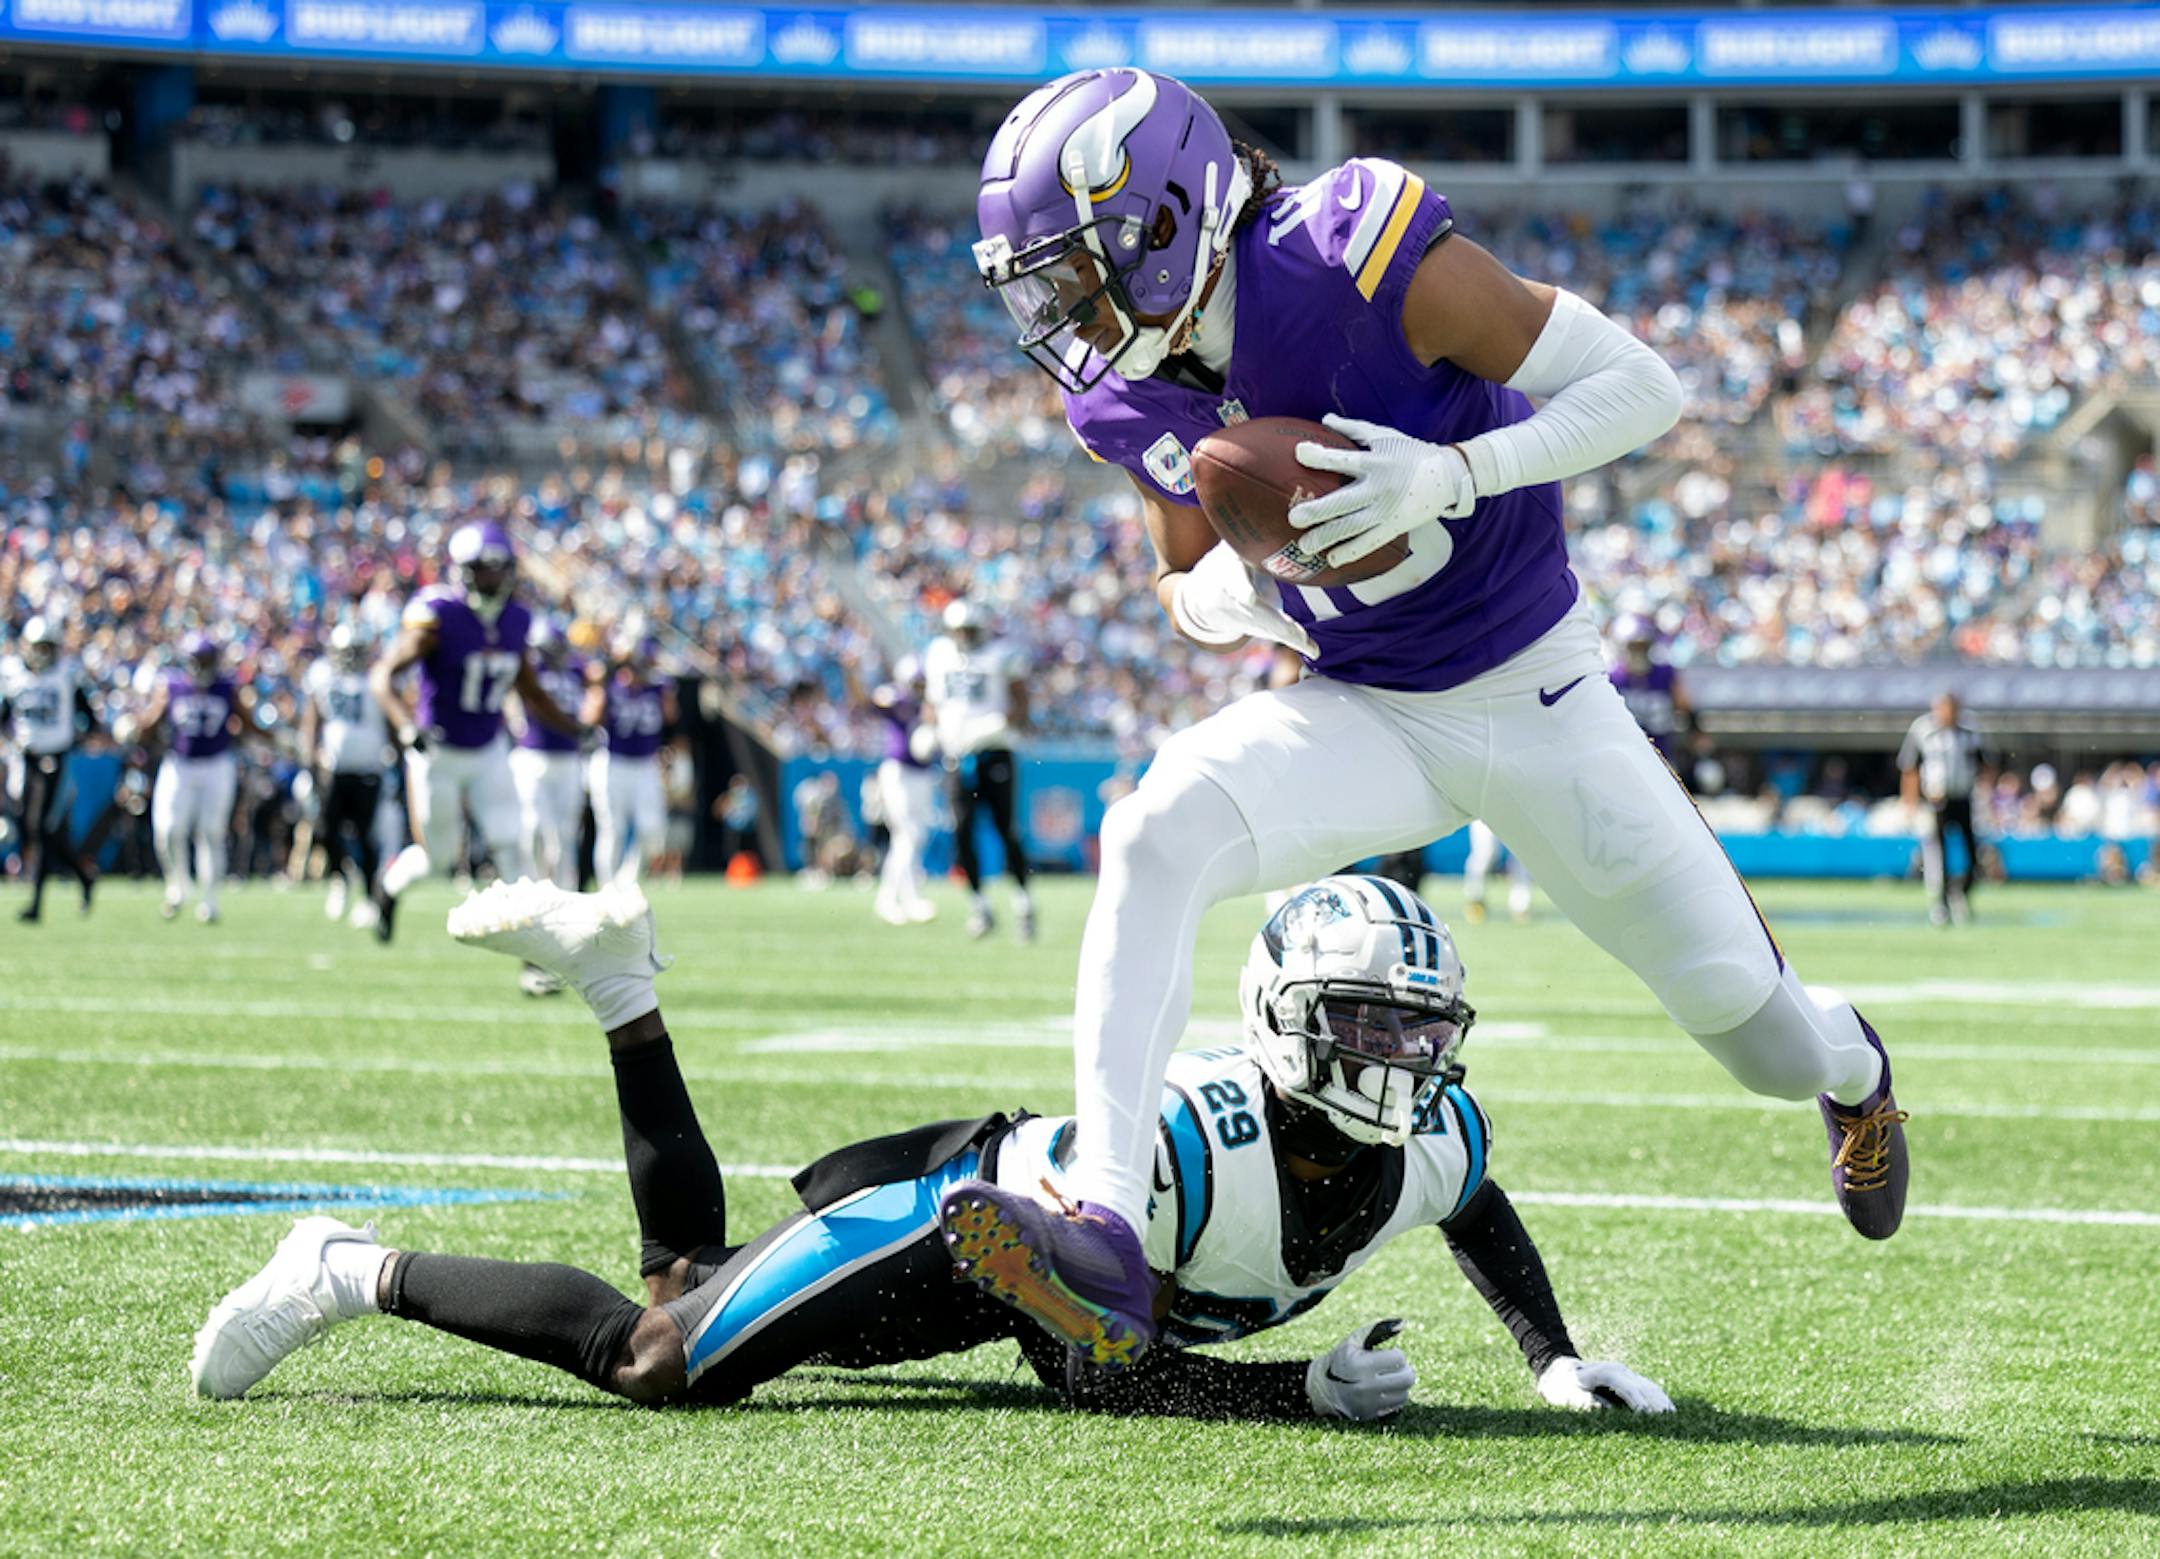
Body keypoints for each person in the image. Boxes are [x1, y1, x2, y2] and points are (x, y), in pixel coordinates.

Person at [958, 68, 1907, 1366]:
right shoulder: (1119, 394)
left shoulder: (1349, 246)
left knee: (1755, 1028)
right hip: (1366, 707)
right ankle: (1110, 1224)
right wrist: (1224, 596)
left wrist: (1454, 470)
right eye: (1043, 284)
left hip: (1535, 688)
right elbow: (1178, 574)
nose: (1064, 311)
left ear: (1169, 215)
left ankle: (1853, 1070)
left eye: (1079, 272)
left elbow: (1642, 388)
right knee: (1155, 829)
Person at [189, 874, 1672, 1426]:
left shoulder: (1431, 1130)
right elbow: (1093, 1366)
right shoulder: (1184, 1148)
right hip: (960, 1218)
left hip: (1007, 1276)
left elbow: (1474, 1196)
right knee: (660, 1356)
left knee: (689, 1280)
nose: (1406, 1064)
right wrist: (1301, 1392)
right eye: (1371, 1025)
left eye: (1422, 1029)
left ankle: (621, 984)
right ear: (1286, 1024)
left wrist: (1550, 1349)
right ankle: (340, 1263)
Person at [367, 522, 583, 947]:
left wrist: (577, 730)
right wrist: (407, 726)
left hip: (488, 749)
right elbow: (382, 678)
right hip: (437, 751)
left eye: (502, 568)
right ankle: (387, 891)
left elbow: (531, 692)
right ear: (464, 571)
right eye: (486, 568)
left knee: (511, 845)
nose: (496, 577)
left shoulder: (516, 620)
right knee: (438, 859)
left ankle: (535, 958)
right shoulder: (439, 618)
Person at [129, 632, 259, 925]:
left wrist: (273, 738)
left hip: (216, 764)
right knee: (168, 829)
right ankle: (177, 886)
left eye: (206, 660)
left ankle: (210, 900)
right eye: (197, 660)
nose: (201, 667)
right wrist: (135, 727)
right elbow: (152, 721)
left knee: (211, 832)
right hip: (180, 764)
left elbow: (248, 722)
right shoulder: (173, 686)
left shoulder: (226, 688)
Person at [924, 600, 1033, 940]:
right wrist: (933, 729)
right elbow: (933, 704)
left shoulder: (1002, 655)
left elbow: (1022, 704)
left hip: (994, 752)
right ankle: (979, 905)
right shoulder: (939, 654)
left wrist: (995, 725)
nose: (964, 637)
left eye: (969, 630)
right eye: (959, 630)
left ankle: (1024, 901)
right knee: (961, 829)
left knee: (1005, 828)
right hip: (957, 756)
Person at [1, 615, 98, 921]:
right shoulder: (14, 676)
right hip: (26, 759)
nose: (42, 654)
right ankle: (83, 876)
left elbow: (90, 718)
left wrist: (75, 739)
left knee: (42, 827)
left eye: (47, 647)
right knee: (35, 829)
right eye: (38, 647)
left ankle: (36, 904)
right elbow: (5, 715)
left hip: (56, 757)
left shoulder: (67, 677)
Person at [300, 624, 393, 925]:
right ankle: (340, 879)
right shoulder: (322, 676)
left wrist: (398, 757)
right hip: (333, 768)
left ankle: (368, 897)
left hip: (369, 767)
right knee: (325, 829)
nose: (351, 658)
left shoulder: (376, 678)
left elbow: (391, 720)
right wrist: (309, 757)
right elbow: (313, 719)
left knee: (366, 835)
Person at [582, 630, 677, 890]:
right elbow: (589, 717)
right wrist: (605, 679)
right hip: (613, 761)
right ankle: (607, 887)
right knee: (612, 830)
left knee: (652, 830)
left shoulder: (659, 688)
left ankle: (627, 878)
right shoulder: (610, 685)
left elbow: (671, 717)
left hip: (645, 764)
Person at [509, 617, 588, 895]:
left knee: (565, 833)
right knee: (533, 827)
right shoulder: (529, 667)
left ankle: (564, 891)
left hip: (568, 758)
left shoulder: (577, 669)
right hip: (532, 755)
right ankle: (531, 887)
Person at [1898, 690, 1987, 927]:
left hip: (1964, 797)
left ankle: (1959, 892)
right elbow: (1910, 767)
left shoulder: (1970, 730)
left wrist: (1984, 795)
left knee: (1972, 854)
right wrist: (1910, 802)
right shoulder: (1923, 729)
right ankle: (1941, 904)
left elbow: (1986, 764)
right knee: (1938, 855)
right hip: (1936, 801)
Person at [870, 656, 938, 925]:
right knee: (909, 834)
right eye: (917, 682)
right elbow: (876, 701)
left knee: (911, 837)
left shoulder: (928, 705)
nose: (920, 687)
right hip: (899, 772)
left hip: (922, 773)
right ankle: (905, 899)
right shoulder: (898, 699)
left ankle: (891, 899)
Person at [1608, 616, 1692, 759]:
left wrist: (1696, 732)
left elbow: (1683, 705)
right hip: (1624, 755)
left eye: (1642, 647)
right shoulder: (1613, 678)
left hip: (1660, 753)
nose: (1638, 653)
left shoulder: (1664, 673)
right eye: (1634, 647)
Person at [1461, 820, 1533, 925]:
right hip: (1485, 808)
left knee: (1521, 855)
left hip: (1518, 809)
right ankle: (1475, 898)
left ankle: (1521, 905)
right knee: (1486, 853)